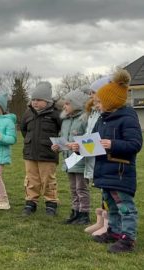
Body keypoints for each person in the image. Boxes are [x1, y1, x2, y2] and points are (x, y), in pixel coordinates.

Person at [75, 69, 142, 253]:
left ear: (110, 101)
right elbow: (95, 142)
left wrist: (112, 143)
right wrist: (79, 147)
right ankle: (114, 232)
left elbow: (135, 144)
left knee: (125, 207)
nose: (95, 105)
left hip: (120, 171)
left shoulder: (128, 117)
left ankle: (128, 239)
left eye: (98, 102)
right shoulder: (103, 119)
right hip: (104, 170)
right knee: (110, 204)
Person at [21, 81, 62, 216]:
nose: (35, 102)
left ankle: (51, 204)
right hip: (30, 153)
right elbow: (24, 130)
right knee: (31, 179)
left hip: (48, 154)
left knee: (48, 180)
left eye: (39, 100)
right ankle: (30, 203)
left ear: (48, 101)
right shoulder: (28, 114)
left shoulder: (56, 115)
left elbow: (61, 132)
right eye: (33, 99)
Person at [51, 89, 90, 224]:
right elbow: (64, 138)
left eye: (68, 103)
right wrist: (58, 146)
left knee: (81, 188)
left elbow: (89, 140)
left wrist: (78, 145)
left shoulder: (85, 119)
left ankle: (84, 213)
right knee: (73, 188)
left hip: (80, 158)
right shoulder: (65, 121)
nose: (64, 106)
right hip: (69, 159)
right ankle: (75, 211)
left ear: (77, 104)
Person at [82, 76, 111, 235]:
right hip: (94, 154)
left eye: (93, 92)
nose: (90, 96)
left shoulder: (104, 113)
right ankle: (101, 221)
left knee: (108, 191)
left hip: (105, 156)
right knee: (102, 190)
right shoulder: (94, 112)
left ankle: (108, 223)